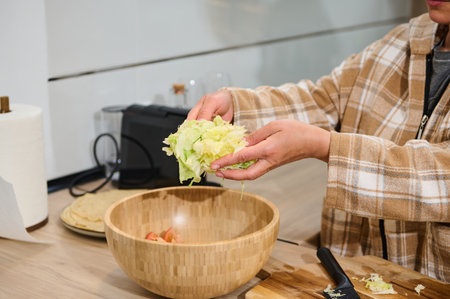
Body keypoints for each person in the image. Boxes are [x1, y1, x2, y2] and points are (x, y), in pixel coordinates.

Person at [187, 2, 450, 282]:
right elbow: (324, 98)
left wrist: (326, 147)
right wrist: (238, 105)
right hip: (356, 273)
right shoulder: (402, 42)